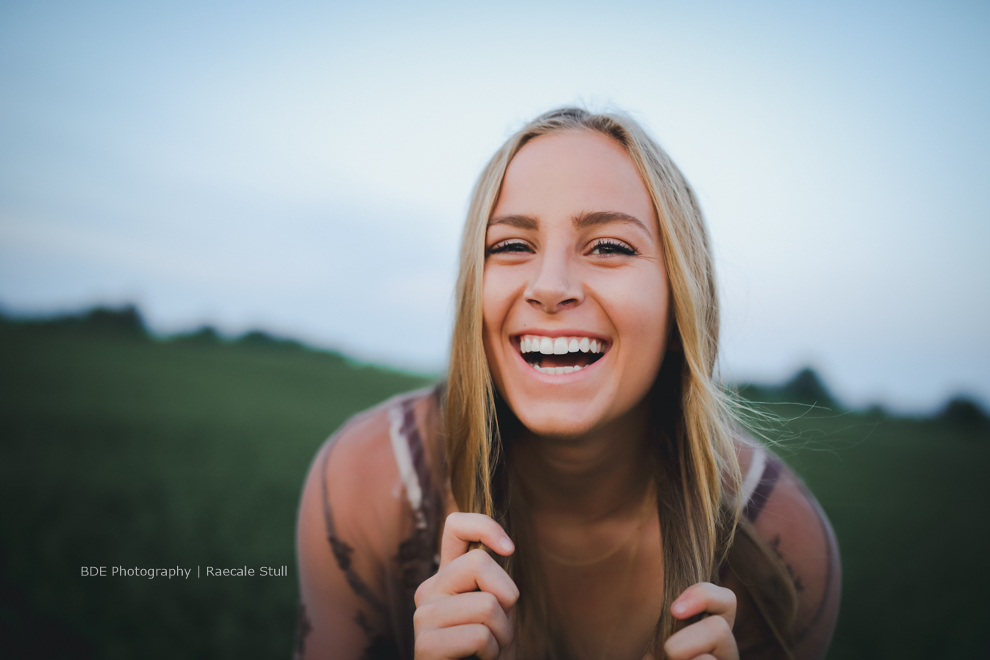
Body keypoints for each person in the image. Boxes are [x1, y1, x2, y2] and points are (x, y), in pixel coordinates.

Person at [294, 108, 841, 660]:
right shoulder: (369, 481)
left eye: (609, 247)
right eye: (511, 245)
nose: (549, 287)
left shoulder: (777, 541)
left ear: (682, 306)